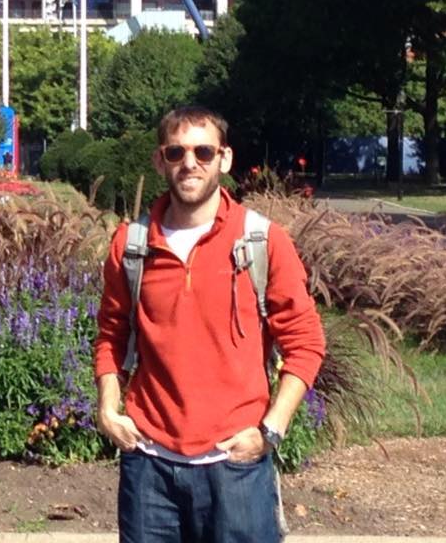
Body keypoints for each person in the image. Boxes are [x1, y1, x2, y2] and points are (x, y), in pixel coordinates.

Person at [94, 106, 326, 543]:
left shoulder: (261, 240)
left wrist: (270, 431)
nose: (190, 163)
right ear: (159, 160)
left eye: (203, 151)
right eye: (176, 152)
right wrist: (109, 406)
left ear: (225, 158)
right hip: (150, 468)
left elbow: (306, 342)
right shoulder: (132, 244)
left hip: (235, 466)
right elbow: (111, 333)